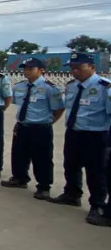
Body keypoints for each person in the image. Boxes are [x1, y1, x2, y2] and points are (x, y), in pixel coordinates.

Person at [47, 52, 111, 225]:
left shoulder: (105, 87)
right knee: (71, 164)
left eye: (79, 68)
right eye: (72, 68)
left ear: (92, 68)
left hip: (96, 136)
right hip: (74, 132)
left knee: (96, 172)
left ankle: (97, 205)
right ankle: (72, 194)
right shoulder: (71, 86)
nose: (75, 71)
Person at [1, 57, 65, 200]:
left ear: (41, 70)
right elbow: (18, 104)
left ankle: (44, 187)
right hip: (23, 126)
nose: (26, 71)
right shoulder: (20, 86)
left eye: (31, 69)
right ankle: (20, 178)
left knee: (42, 158)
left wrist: (48, 122)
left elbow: (58, 109)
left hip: (41, 128)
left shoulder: (50, 88)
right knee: (19, 154)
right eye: (25, 68)